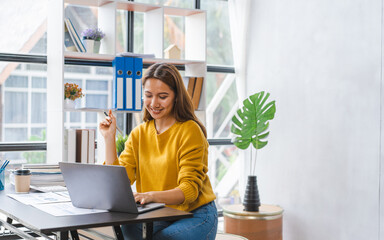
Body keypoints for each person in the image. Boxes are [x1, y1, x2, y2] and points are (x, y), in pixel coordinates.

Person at [99, 63, 218, 240]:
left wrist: (150, 196)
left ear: (176, 97)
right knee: (126, 230)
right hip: (158, 213)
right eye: (148, 95)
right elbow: (118, 183)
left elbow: (189, 191)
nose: (154, 103)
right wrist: (109, 138)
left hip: (196, 214)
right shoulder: (139, 133)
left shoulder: (189, 130)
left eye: (162, 96)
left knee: (164, 239)